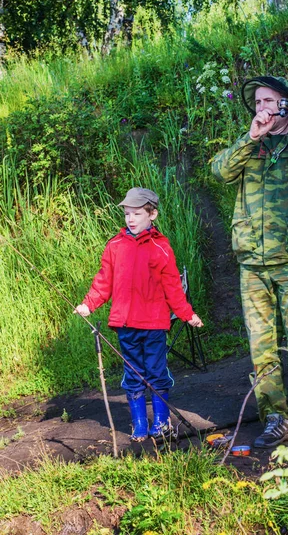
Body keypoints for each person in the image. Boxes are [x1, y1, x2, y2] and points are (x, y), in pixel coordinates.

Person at [211, 76, 288, 448]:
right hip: (252, 261)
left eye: (269, 100)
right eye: (257, 102)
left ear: (286, 104)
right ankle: (276, 417)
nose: (261, 107)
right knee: (261, 347)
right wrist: (250, 137)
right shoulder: (249, 144)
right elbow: (219, 172)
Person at [75, 187, 203, 441]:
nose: (131, 219)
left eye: (137, 214)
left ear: (152, 214)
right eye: (127, 214)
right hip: (125, 323)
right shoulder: (115, 246)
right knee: (132, 374)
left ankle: (162, 423)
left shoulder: (161, 247)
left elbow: (173, 288)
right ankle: (139, 424)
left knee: (156, 372)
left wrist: (187, 314)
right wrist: (89, 305)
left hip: (154, 323)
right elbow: (103, 281)